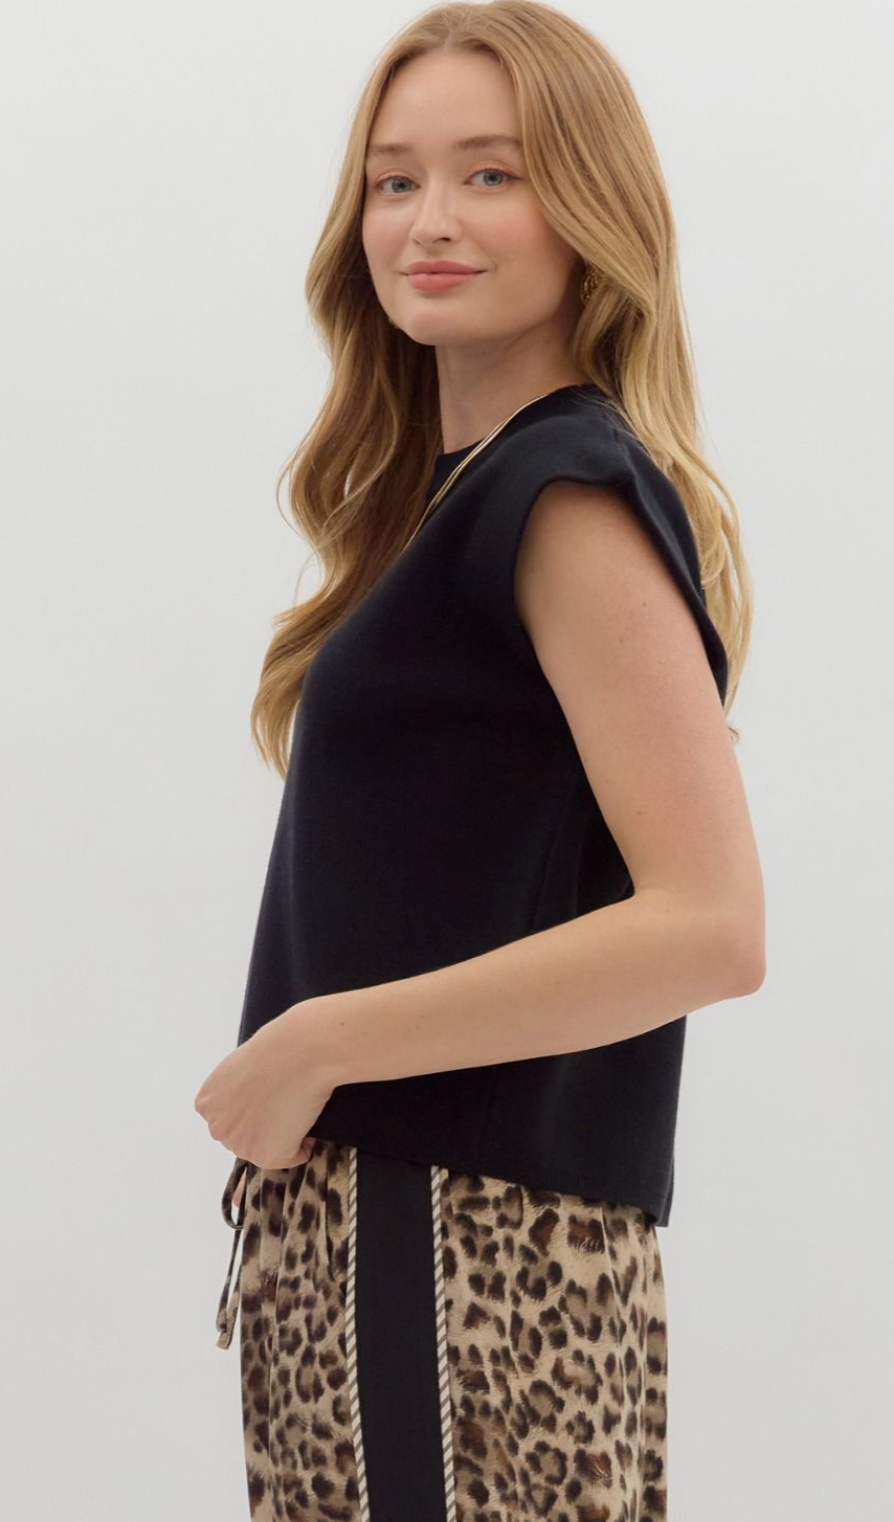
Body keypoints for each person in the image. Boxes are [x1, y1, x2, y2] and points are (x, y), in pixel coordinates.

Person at [194, 4, 765, 1518]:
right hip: (403, 1238)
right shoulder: (465, 499)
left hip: (452, 1247)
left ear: (588, 207)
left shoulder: (559, 497)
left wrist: (315, 1045)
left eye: (489, 174)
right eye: (393, 180)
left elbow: (710, 925)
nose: (428, 220)